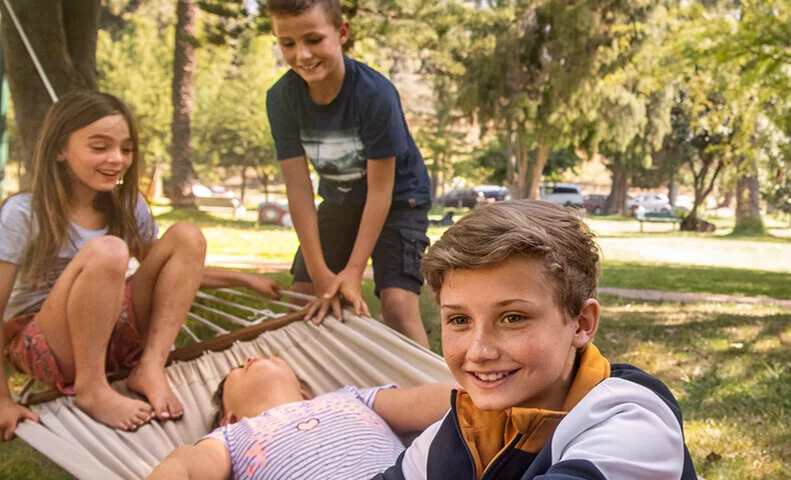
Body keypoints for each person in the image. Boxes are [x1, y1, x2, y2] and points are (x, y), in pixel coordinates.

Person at [0, 91, 284, 436]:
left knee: (187, 236)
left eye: (126, 149)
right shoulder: (23, 213)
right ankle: (92, 388)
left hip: (110, 330)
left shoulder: (127, 205)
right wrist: (2, 399)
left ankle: (150, 365)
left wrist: (241, 279)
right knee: (108, 251)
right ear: (60, 150)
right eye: (99, 147)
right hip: (45, 343)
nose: (117, 159)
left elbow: (172, 273)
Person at [376, 200, 697, 479]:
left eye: (513, 318)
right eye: (460, 320)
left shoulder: (634, 430)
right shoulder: (464, 425)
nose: (480, 350)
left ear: (581, 323)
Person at [265, 0, 432, 345]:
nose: (302, 55)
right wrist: (319, 272)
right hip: (340, 201)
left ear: (341, 33)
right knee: (303, 300)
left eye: (314, 39)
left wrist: (354, 271)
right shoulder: (281, 98)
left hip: (400, 200)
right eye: (288, 43)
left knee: (398, 306)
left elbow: (381, 191)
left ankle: (438, 394)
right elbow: (298, 190)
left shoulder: (374, 95)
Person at [145, 356, 454, 479]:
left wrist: (490, 388)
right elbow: (188, 465)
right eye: (238, 370)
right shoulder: (230, 436)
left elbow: (430, 400)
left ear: (305, 392)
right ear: (229, 417)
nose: (251, 358)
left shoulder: (351, 397)